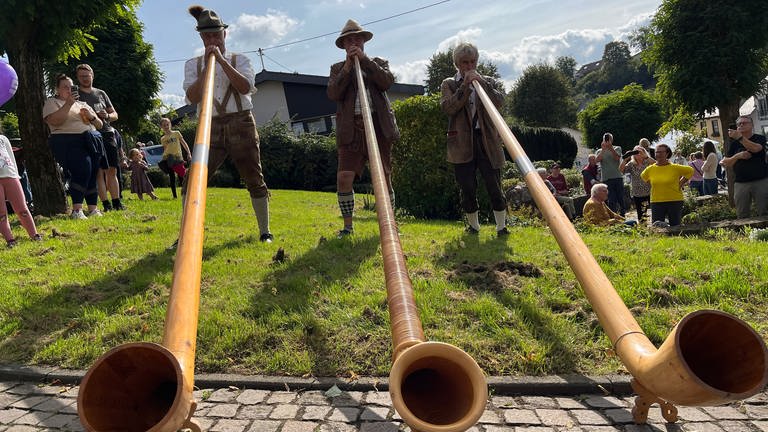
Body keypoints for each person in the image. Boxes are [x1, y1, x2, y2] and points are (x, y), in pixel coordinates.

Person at [184, 5, 273, 242]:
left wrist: (221, 61)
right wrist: (207, 67)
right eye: (207, 36)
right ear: (201, 37)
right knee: (193, 180)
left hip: (240, 122)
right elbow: (193, 98)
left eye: (217, 34)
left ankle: (265, 231)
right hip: (208, 125)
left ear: (225, 34)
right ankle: (187, 236)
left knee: (253, 176)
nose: (213, 39)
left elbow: (245, 87)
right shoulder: (193, 65)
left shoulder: (240, 59)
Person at [327, 19, 400, 238]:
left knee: (384, 176)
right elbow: (333, 94)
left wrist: (365, 61)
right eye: (349, 40)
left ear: (363, 41)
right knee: (344, 177)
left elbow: (386, 82)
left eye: (357, 38)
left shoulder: (378, 62)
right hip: (351, 128)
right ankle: (348, 227)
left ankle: (389, 224)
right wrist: (349, 67)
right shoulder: (337, 69)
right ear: (344, 44)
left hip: (378, 126)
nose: (354, 43)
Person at [440, 42, 508, 236]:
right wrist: (465, 86)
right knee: (467, 186)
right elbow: (448, 108)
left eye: (472, 62)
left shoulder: (488, 81)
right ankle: (473, 226)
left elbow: (500, 102)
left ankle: (502, 227)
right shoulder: (449, 83)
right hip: (461, 142)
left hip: (487, 139)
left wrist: (483, 84)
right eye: (464, 63)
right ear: (457, 64)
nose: (469, 66)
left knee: (494, 184)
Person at [43, 74, 104, 219]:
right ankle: (77, 209)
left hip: (91, 139)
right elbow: (54, 121)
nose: (69, 90)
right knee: (83, 169)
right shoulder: (52, 102)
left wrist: (92, 116)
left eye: (71, 87)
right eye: (65, 87)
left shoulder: (82, 104)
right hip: (67, 141)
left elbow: (100, 125)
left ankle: (93, 209)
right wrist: (68, 104)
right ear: (57, 89)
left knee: (92, 172)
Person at [75, 64, 124, 212]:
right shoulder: (76, 95)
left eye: (87, 75)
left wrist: (107, 116)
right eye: (81, 76)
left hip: (107, 132)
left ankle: (117, 203)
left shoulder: (101, 93)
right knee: (98, 172)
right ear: (77, 78)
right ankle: (106, 204)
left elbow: (115, 114)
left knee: (112, 170)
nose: (84, 78)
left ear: (92, 75)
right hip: (90, 134)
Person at [720, 115, 768, 217]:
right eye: (739, 124)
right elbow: (725, 162)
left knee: (764, 212)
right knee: (742, 214)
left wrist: (740, 138)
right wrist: (738, 156)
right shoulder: (734, 144)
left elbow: (756, 149)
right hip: (741, 183)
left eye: (744, 123)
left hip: (761, 181)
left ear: (751, 125)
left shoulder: (760, 138)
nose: (741, 125)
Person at [0, 132, 41, 248]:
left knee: (23, 208)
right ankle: (10, 240)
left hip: (11, 176)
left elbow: (11, 158)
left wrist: (16, 175)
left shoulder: (3, 139)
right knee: (1, 213)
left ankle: (34, 235)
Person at [640, 143, 694, 227]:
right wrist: (655, 184)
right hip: (656, 201)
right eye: (657, 152)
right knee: (657, 227)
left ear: (667, 153)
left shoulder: (675, 167)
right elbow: (643, 177)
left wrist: (681, 183)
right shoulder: (650, 169)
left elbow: (690, 171)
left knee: (675, 226)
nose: (658, 154)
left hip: (674, 200)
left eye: (661, 152)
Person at [620, 145, 654, 222]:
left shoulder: (648, 162)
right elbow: (621, 170)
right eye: (635, 152)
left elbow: (656, 164)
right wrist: (625, 160)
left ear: (644, 152)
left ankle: (657, 227)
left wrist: (646, 157)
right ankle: (643, 229)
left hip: (650, 191)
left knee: (655, 211)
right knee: (641, 214)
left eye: (640, 151)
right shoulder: (631, 164)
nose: (638, 153)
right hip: (638, 193)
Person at [159, 117, 191, 199]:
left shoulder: (176, 133)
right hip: (169, 159)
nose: (166, 126)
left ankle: (185, 193)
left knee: (182, 176)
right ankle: (175, 196)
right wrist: (164, 159)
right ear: (161, 127)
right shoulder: (163, 139)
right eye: (164, 125)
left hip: (178, 158)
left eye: (167, 124)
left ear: (170, 124)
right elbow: (166, 149)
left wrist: (188, 153)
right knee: (172, 177)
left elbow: (184, 143)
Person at [596, 133, 625, 216]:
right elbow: (597, 160)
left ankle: (623, 215)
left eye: (608, 139)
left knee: (620, 198)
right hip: (606, 179)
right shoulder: (599, 151)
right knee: (611, 199)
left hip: (618, 177)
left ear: (612, 140)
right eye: (605, 139)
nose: (607, 141)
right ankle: (614, 216)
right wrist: (603, 149)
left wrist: (610, 148)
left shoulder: (617, 148)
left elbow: (617, 158)